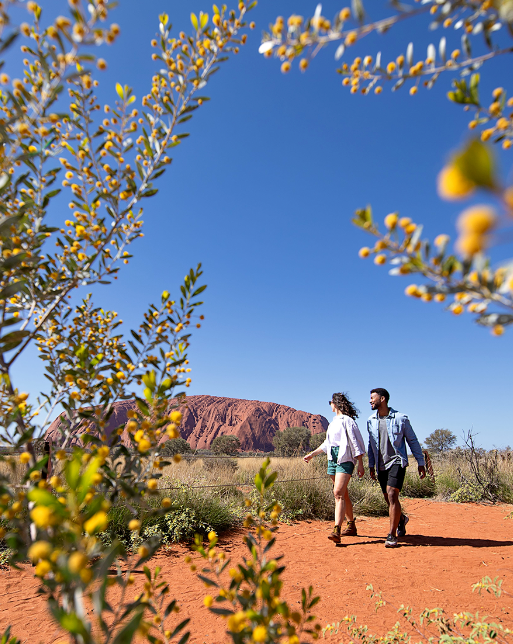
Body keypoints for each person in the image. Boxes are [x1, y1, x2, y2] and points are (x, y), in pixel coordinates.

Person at [367, 388, 426, 548]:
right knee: (388, 498)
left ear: (382, 399)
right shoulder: (371, 420)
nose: (370, 401)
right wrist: (371, 465)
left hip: (397, 461)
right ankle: (401, 519)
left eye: (372, 398)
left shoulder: (401, 418)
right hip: (381, 464)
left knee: (392, 494)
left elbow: (412, 440)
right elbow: (371, 444)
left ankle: (392, 535)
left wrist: (420, 462)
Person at [304, 392, 365, 543]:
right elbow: (327, 444)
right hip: (332, 458)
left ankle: (336, 529)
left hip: (345, 458)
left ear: (335, 403)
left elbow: (356, 442)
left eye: (330, 402)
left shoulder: (348, 421)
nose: (330, 405)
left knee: (338, 493)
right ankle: (351, 526)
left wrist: (360, 463)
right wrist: (312, 454)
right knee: (343, 494)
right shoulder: (333, 423)